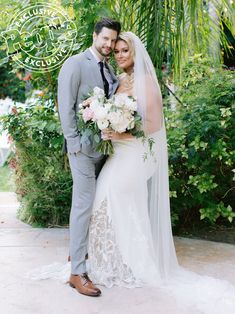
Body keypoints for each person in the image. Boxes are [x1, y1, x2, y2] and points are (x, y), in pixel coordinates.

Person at [87, 31, 178, 287]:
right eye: (116, 51)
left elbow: (154, 124)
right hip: (120, 152)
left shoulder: (145, 81)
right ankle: (111, 262)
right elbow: (116, 115)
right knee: (105, 199)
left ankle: (134, 265)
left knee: (114, 194)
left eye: (124, 50)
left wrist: (121, 132)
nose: (119, 55)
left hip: (138, 153)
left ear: (135, 52)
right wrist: (105, 125)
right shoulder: (120, 80)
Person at [57, 17, 121, 297]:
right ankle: (76, 274)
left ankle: (77, 254)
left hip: (103, 151)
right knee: (83, 206)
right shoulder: (75, 63)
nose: (108, 44)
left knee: (95, 206)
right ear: (95, 36)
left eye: (112, 40)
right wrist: (74, 145)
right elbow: (65, 105)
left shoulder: (108, 68)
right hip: (82, 150)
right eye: (104, 38)